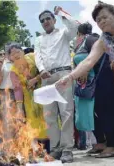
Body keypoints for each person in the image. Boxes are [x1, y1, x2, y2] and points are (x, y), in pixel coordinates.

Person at [57, 2, 114, 158]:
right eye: (98, 20)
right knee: (102, 112)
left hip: (105, 81)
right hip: (100, 83)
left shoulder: (90, 39)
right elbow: (88, 61)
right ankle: (107, 144)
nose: (101, 21)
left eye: (105, 17)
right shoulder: (103, 41)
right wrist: (70, 77)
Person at [34, 6, 78, 163]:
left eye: (48, 18)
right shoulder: (39, 39)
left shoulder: (63, 33)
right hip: (47, 77)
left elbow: (75, 26)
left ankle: (67, 149)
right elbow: (37, 56)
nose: (45, 22)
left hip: (64, 75)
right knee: (49, 115)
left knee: (66, 112)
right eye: (42, 20)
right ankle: (55, 148)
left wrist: (61, 13)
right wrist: (42, 70)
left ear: (53, 20)